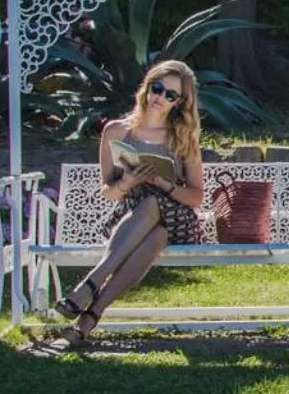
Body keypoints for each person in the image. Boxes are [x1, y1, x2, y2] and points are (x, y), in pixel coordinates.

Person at [55, 61, 206, 341]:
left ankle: (90, 284)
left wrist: (163, 183)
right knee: (155, 233)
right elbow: (109, 192)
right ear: (147, 88)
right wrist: (127, 182)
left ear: (179, 102)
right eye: (157, 88)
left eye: (170, 95)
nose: (160, 97)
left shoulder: (183, 137)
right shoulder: (116, 131)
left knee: (153, 203)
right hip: (132, 216)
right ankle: (90, 317)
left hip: (177, 217)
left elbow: (196, 196)